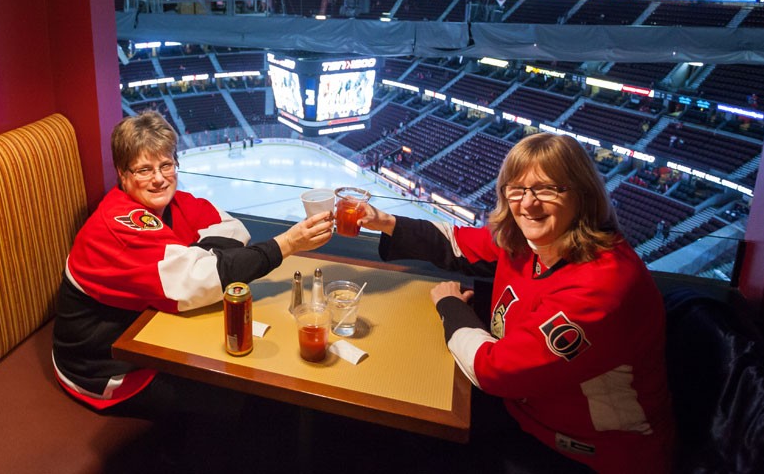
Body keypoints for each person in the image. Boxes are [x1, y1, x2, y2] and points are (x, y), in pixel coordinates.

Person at [357, 133, 673, 473]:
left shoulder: (604, 283)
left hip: (589, 453)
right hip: (526, 413)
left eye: (548, 189)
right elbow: (460, 243)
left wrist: (450, 306)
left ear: (583, 194)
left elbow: (495, 372)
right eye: (517, 189)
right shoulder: (526, 241)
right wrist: (383, 221)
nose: (528, 203)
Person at [50, 112, 332, 459]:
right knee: (237, 400)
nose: (159, 179)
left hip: (147, 339)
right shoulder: (118, 225)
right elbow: (196, 283)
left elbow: (234, 231)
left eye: (166, 165)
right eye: (143, 170)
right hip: (105, 369)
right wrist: (286, 243)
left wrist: (197, 261)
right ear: (123, 175)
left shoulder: (176, 203)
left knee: (253, 388)